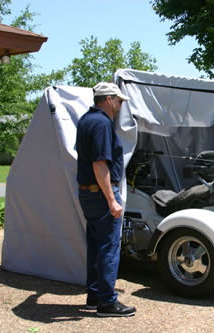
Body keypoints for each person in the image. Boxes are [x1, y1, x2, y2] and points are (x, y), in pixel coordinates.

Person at [76, 82, 136, 317]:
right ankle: (107, 303)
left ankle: (94, 296)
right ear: (109, 99)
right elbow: (99, 163)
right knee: (109, 248)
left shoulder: (85, 120)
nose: (120, 105)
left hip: (87, 193)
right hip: (101, 194)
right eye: (119, 101)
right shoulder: (102, 124)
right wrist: (112, 200)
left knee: (95, 246)